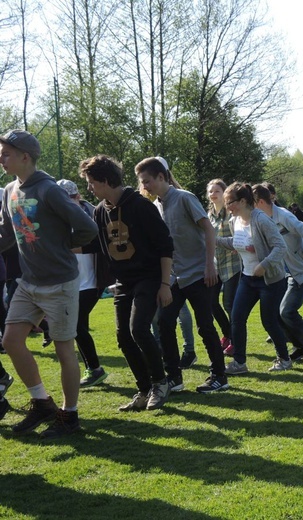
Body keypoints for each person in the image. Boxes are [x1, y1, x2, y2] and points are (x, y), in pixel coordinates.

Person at [0, 129, 98, 438]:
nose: (1, 158)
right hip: (28, 282)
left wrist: (61, 246)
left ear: (24, 157)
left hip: (60, 283)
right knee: (11, 341)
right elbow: (5, 234)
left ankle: (69, 417)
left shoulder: (49, 190)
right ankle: (42, 403)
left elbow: (87, 227)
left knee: (63, 351)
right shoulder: (8, 191)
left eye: (6, 154)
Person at [79, 155, 174, 411]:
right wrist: (54, 247)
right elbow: (94, 245)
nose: (89, 188)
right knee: (123, 336)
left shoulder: (141, 206)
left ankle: (160, 383)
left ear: (106, 180)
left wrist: (165, 285)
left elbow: (166, 246)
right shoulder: (100, 211)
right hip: (124, 281)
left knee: (139, 329)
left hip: (149, 277)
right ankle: (143, 390)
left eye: (91, 182)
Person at [136, 157, 229, 394]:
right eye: (142, 182)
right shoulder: (155, 206)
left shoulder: (185, 197)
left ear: (161, 176)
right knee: (165, 322)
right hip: (176, 278)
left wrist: (210, 266)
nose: (144, 186)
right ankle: (174, 377)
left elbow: (208, 228)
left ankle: (219, 376)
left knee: (205, 326)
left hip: (200, 274)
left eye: (147, 181)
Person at [218, 182, 292, 374]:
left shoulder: (261, 220)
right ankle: (239, 363)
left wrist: (263, 265)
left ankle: (284, 358)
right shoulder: (234, 222)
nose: (228, 207)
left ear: (243, 201)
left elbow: (280, 247)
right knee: (236, 318)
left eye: (230, 203)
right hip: (247, 278)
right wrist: (212, 239)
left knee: (269, 321)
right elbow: (234, 243)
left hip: (270, 280)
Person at [253, 184, 303, 362]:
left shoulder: (284, 216)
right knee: (277, 312)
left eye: (251, 203)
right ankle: (300, 346)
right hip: (289, 273)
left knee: (287, 311)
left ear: (261, 202)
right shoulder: (265, 219)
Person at [56, 179, 110, 387]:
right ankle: (92, 369)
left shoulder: (90, 214)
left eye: (68, 198)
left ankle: (95, 369)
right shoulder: (59, 217)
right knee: (80, 326)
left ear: (77, 196)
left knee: (77, 326)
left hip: (92, 281)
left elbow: (96, 244)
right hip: (74, 281)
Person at [206, 178, 241, 360]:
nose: (213, 194)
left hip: (233, 264)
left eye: (217, 191)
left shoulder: (231, 213)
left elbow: (238, 239)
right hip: (216, 265)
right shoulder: (209, 215)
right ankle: (228, 334)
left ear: (224, 192)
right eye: (210, 191)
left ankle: (235, 342)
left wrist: (216, 241)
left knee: (229, 304)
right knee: (211, 303)